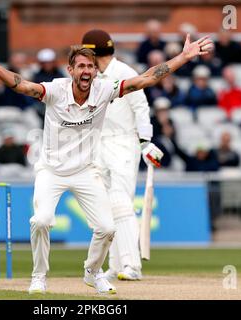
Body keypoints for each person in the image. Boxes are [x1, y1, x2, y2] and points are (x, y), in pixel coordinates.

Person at [0, 32, 211, 294]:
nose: (86, 71)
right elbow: (22, 85)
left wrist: (184, 57)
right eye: (81, 66)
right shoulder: (55, 90)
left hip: (86, 171)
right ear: (70, 70)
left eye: (90, 66)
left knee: (108, 228)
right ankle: (39, 275)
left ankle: (93, 271)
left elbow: (148, 78)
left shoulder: (104, 90)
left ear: (95, 72)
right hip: (51, 171)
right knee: (41, 221)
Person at [82, 29, 152, 281]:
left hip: (123, 143)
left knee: (121, 202)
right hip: (97, 145)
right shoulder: (89, 76)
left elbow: (140, 107)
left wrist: (146, 142)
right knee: (105, 208)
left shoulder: (124, 73)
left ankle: (132, 265)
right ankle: (114, 265)